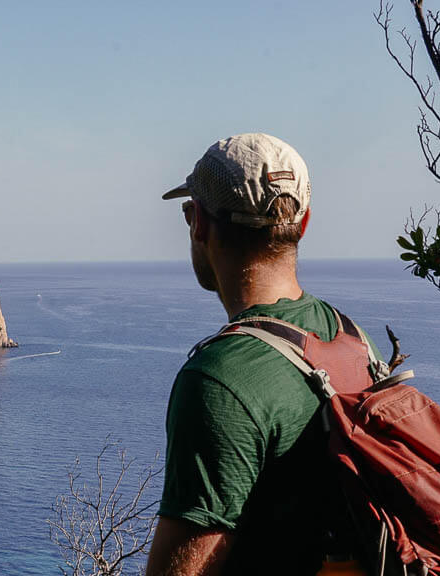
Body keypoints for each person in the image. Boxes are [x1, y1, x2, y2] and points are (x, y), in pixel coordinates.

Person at [147, 133, 378, 575]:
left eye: (188, 212)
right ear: (303, 224)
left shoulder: (218, 381)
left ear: (198, 222)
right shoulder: (353, 338)